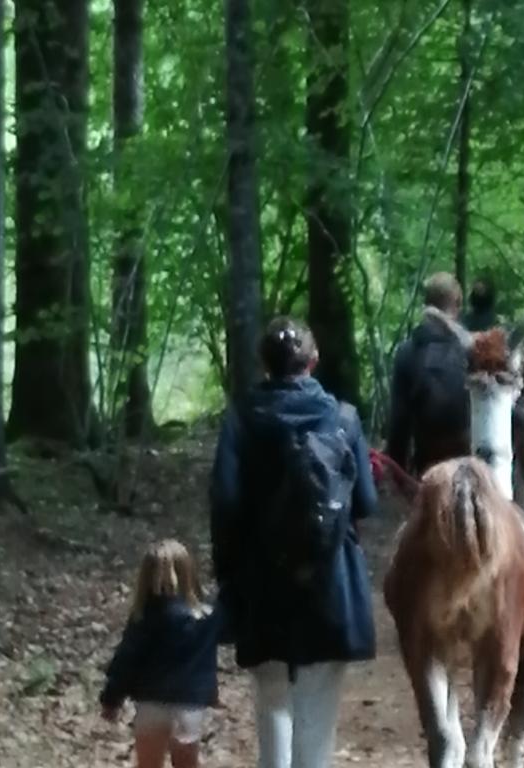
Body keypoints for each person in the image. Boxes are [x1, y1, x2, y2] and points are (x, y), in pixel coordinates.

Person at [209, 317, 377, 768]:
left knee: (271, 702)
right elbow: (365, 503)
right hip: (330, 583)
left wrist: (229, 577)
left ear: (264, 363)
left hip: (262, 584)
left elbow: (225, 502)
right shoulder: (343, 418)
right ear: (313, 361)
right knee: (316, 717)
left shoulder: (241, 417)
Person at [100, 539, 225, 768]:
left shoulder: (144, 617)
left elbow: (127, 660)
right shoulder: (207, 615)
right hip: (189, 705)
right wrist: (210, 693)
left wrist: (111, 699)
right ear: (188, 572)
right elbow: (208, 661)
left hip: (151, 704)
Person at [386, 272, 471, 474]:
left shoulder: (407, 351)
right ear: (457, 304)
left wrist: (397, 469)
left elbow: (399, 420)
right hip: (468, 462)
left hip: (428, 463)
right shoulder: (469, 350)